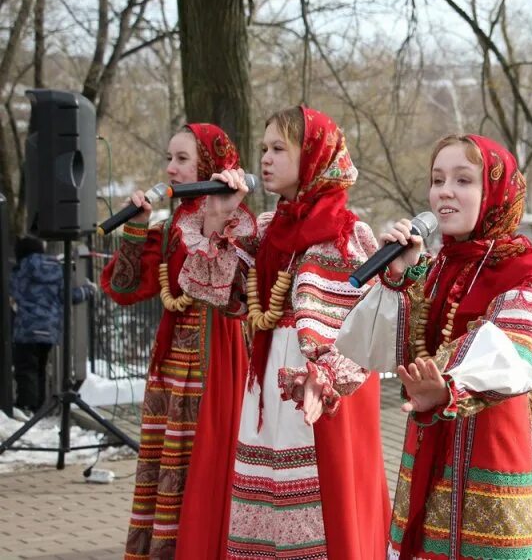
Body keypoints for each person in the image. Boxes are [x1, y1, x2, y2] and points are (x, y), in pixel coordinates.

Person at [318, 134, 532, 560]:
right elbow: (375, 347)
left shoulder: (528, 269)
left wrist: (450, 387)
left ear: (496, 192)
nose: (444, 191)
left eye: (463, 180)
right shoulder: (436, 269)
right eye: (437, 179)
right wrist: (399, 273)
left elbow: (518, 348)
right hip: (429, 438)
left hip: (492, 442)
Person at [180, 105, 389, 559]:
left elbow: (372, 329)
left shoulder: (348, 234)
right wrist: (218, 216)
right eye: (263, 149)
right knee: (266, 497)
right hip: (267, 383)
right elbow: (219, 292)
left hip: (327, 394)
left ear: (313, 156)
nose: (266, 160)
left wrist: (326, 378)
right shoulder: (270, 229)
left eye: (279, 149)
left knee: (325, 508)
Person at [100, 124, 253, 560]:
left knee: (205, 466)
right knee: (167, 469)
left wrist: (216, 222)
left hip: (214, 362)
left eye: (182, 159)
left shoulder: (233, 220)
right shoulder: (172, 227)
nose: (170, 168)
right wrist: (137, 228)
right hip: (170, 370)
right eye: (170, 157)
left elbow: (235, 297)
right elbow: (124, 288)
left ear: (208, 166)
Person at [10, 236, 94, 415]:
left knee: (25, 369)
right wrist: (88, 290)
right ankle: (38, 406)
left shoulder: (21, 270)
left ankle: (26, 406)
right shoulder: (56, 269)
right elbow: (69, 296)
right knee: (40, 367)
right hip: (49, 331)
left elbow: (12, 290)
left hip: (26, 329)